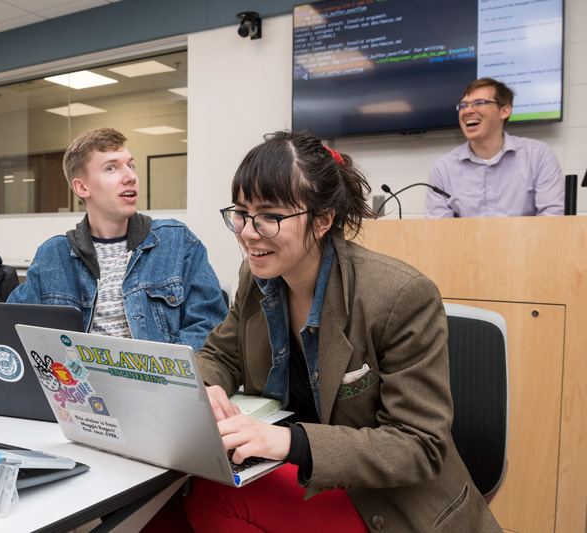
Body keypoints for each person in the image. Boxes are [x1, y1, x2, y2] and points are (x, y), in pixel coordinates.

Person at [183, 130, 501, 531]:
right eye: (241, 213)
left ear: (323, 221)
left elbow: (419, 445)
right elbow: (220, 356)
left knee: (215, 496)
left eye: (270, 217)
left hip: (386, 500)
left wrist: (290, 442)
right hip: (299, 479)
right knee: (179, 494)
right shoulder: (260, 275)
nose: (247, 232)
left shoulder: (398, 295)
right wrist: (207, 387)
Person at [8, 128, 227, 353]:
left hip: (157, 383)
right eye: (111, 168)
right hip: (80, 385)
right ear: (82, 187)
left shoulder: (178, 242)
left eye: (130, 166)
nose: (130, 177)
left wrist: (163, 374)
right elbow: (11, 328)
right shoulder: (52, 256)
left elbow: (208, 325)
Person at [426, 77, 564, 218]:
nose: (468, 111)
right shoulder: (443, 168)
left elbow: (552, 217)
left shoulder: (538, 155)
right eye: (463, 106)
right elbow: (439, 230)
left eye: (479, 103)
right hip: (466, 241)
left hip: (526, 240)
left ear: (504, 111)